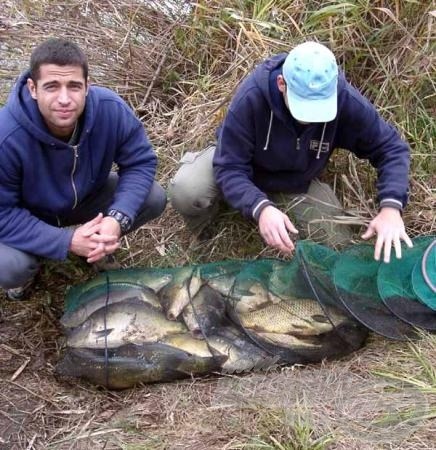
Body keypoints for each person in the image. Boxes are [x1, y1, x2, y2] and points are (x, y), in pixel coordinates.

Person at [169, 41, 413, 263]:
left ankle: (267, 204)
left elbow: (391, 148)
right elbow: (229, 166)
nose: (310, 120)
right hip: (244, 165)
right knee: (187, 189)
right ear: (281, 84)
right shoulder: (252, 97)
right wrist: (261, 208)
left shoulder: (344, 99)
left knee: (337, 244)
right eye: (304, 108)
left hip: (294, 180)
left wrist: (391, 208)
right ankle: (206, 232)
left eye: (319, 110)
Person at [0, 38, 166, 300]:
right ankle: (32, 266)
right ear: (33, 88)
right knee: (11, 267)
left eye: (74, 86)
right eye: (52, 87)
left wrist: (116, 218)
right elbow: (2, 214)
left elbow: (140, 162)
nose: (64, 99)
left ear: (88, 86)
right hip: (29, 213)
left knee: (152, 197)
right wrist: (65, 241)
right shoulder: (6, 136)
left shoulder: (110, 110)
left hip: (86, 196)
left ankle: (98, 244)